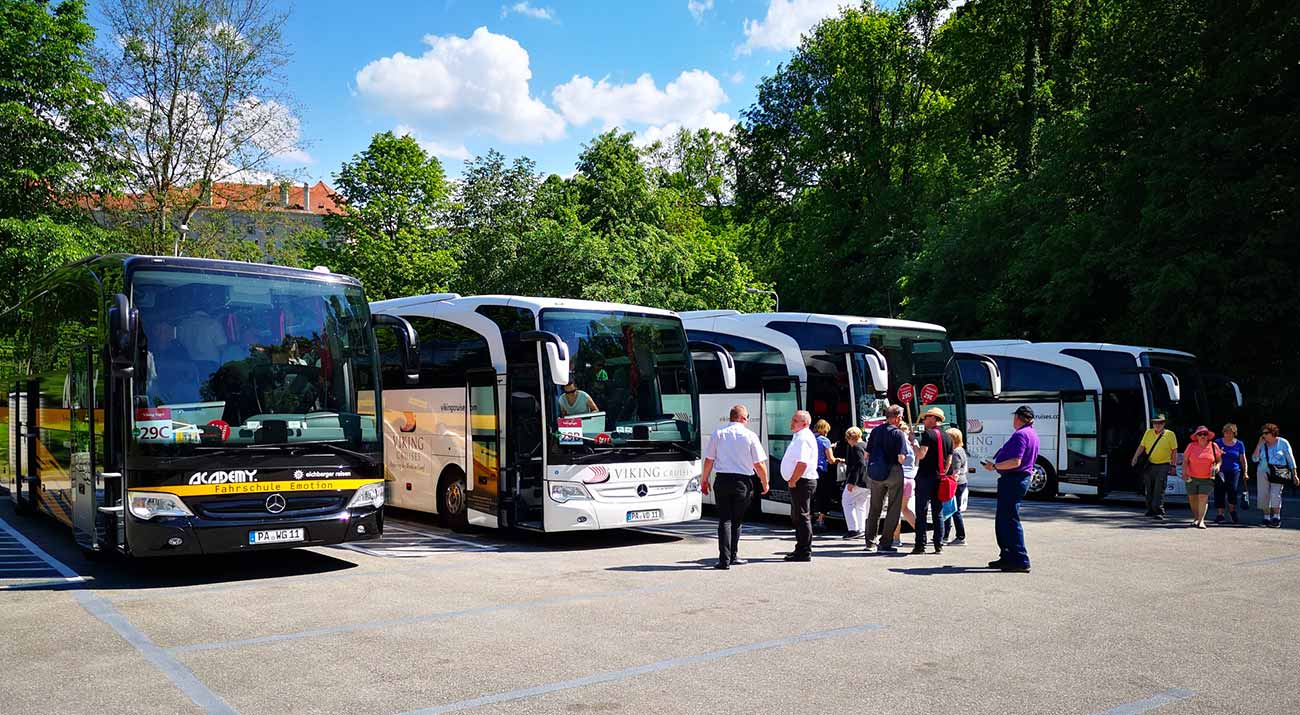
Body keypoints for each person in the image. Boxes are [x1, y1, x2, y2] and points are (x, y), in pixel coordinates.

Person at [700, 405, 769, 569]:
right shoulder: (750, 435)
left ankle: (723, 560)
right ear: (744, 418)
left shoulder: (718, 433)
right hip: (742, 482)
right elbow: (759, 464)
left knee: (724, 519)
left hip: (722, 480)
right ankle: (734, 555)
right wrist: (765, 482)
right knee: (737, 520)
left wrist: (704, 480)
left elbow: (709, 460)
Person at [983, 405, 1040, 573]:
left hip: (1013, 479)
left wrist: (994, 466)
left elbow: (1016, 461)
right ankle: (1007, 556)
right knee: (1004, 519)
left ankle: (1020, 559)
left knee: (1009, 519)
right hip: (1018, 479)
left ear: (1017, 418)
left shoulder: (1021, 435)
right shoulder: (1032, 434)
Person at [864, 405, 907, 552]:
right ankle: (885, 542)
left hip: (876, 473)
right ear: (897, 417)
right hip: (893, 471)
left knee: (875, 507)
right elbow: (901, 458)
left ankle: (870, 541)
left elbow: (866, 454)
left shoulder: (876, 431)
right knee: (893, 508)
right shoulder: (898, 434)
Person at [911, 407, 954, 555]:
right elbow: (949, 459)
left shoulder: (928, 434)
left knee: (921, 511)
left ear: (934, 419)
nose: (924, 420)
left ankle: (920, 545)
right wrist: (942, 472)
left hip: (925, 477)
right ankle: (938, 545)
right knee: (938, 512)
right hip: (939, 477)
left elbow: (921, 455)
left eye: (926, 417)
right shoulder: (948, 437)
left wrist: (913, 444)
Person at [781, 410, 820, 561]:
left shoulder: (803, 438)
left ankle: (804, 551)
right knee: (799, 516)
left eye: (795, 420)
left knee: (802, 516)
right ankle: (800, 549)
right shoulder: (800, 436)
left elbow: (802, 463)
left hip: (802, 481)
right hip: (801, 480)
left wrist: (793, 480)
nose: (792, 422)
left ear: (804, 424)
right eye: (792, 419)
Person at [1130, 414, 1178, 521]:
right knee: (1149, 487)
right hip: (1149, 464)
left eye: (1160, 423)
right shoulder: (1148, 432)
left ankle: (1159, 511)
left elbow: (1174, 451)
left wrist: (1173, 465)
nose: (1157, 425)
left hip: (1163, 464)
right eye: (1155, 423)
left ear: (1164, 424)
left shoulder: (1170, 434)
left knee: (1159, 488)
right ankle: (1150, 509)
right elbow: (1142, 446)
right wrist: (1135, 457)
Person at [1253, 423, 1298, 528]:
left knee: (1275, 494)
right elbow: (1254, 459)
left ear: (1273, 433)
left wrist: (1294, 474)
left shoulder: (1283, 442)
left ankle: (1276, 517)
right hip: (1262, 471)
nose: (1263, 435)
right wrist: (1258, 445)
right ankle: (1266, 517)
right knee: (1263, 494)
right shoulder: (1262, 444)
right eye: (1262, 433)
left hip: (1279, 471)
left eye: (1266, 433)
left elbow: (1290, 459)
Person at [1181, 426, 1222, 529]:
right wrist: (1184, 472)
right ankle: (1196, 518)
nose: (1203, 436)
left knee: (1203, 497)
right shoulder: (1191, 446)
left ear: (1208, 436)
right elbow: (1185, 460)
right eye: (1200, 434)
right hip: (1191, 476)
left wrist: (1217, 466)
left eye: (1205, 434)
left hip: (1208, 477)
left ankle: (1201, 520)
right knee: (1193, 499)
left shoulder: (1213, 445)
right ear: (1196, 436)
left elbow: (1219, 460)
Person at [1214, 424, 1249, 524]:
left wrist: (1245, 471)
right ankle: (1220, 514)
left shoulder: (1239, 444)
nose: (1228, 434)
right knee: (1219, 491)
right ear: (1223, 432)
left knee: (1232, 490)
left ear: (1234, 433)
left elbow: (1243, 459)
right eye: (1226, 432)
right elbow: (1212, 456)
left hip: (1234, 471)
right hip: (1220, 471)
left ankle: (1232, 511)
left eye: (1230, 432)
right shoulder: (1218, 442)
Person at [840, 427, 870, 539]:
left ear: (850, 438)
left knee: (847, 501)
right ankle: (861, 529)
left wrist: (852, 481)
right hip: (868, 481)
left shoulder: (856, 447)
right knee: (860, 505)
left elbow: (859, 464)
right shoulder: (866, 445)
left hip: (858, 481)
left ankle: (853, 529)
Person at [892, 423, 918, 548]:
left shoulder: (898, 444)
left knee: (895, 510)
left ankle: (896, 538)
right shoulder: (912, 444)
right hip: (910, 479)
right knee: (905, 509)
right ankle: (920, 533)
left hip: (900, 478)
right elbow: (919, 458)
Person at [812, 419, 839, 532]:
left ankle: (809, 518)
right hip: (821, 471)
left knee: (812, 495)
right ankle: (820, 520)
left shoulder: (810, 438)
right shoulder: (825, 440)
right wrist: (840, 459)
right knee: (823, 495)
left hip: (809, 470)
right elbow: (831, 460)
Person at [943, 427, 969, 545]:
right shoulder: (961, 450)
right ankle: (945, 535)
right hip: (961, 482)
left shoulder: (955, 452)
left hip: (955, 483)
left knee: (953, 510)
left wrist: (950, 482)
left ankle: (960, 536)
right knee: (950, 509)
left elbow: (956, 471)